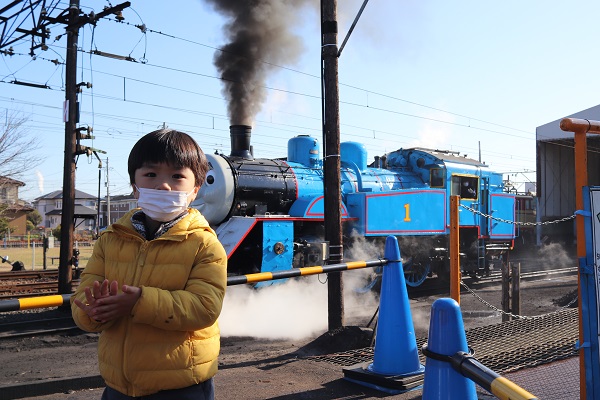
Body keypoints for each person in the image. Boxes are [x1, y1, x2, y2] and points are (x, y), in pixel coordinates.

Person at [71, 129, 227, 400]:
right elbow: (83, 299)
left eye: (177, 176)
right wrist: (93, 310)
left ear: (195, 190)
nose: (163, 185)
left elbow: (205, 308)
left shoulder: (205, 244)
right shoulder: (110, 240)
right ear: (135, 184)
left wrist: (138, 302)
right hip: (119, 385)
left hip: (181, 384)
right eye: (151, 175)